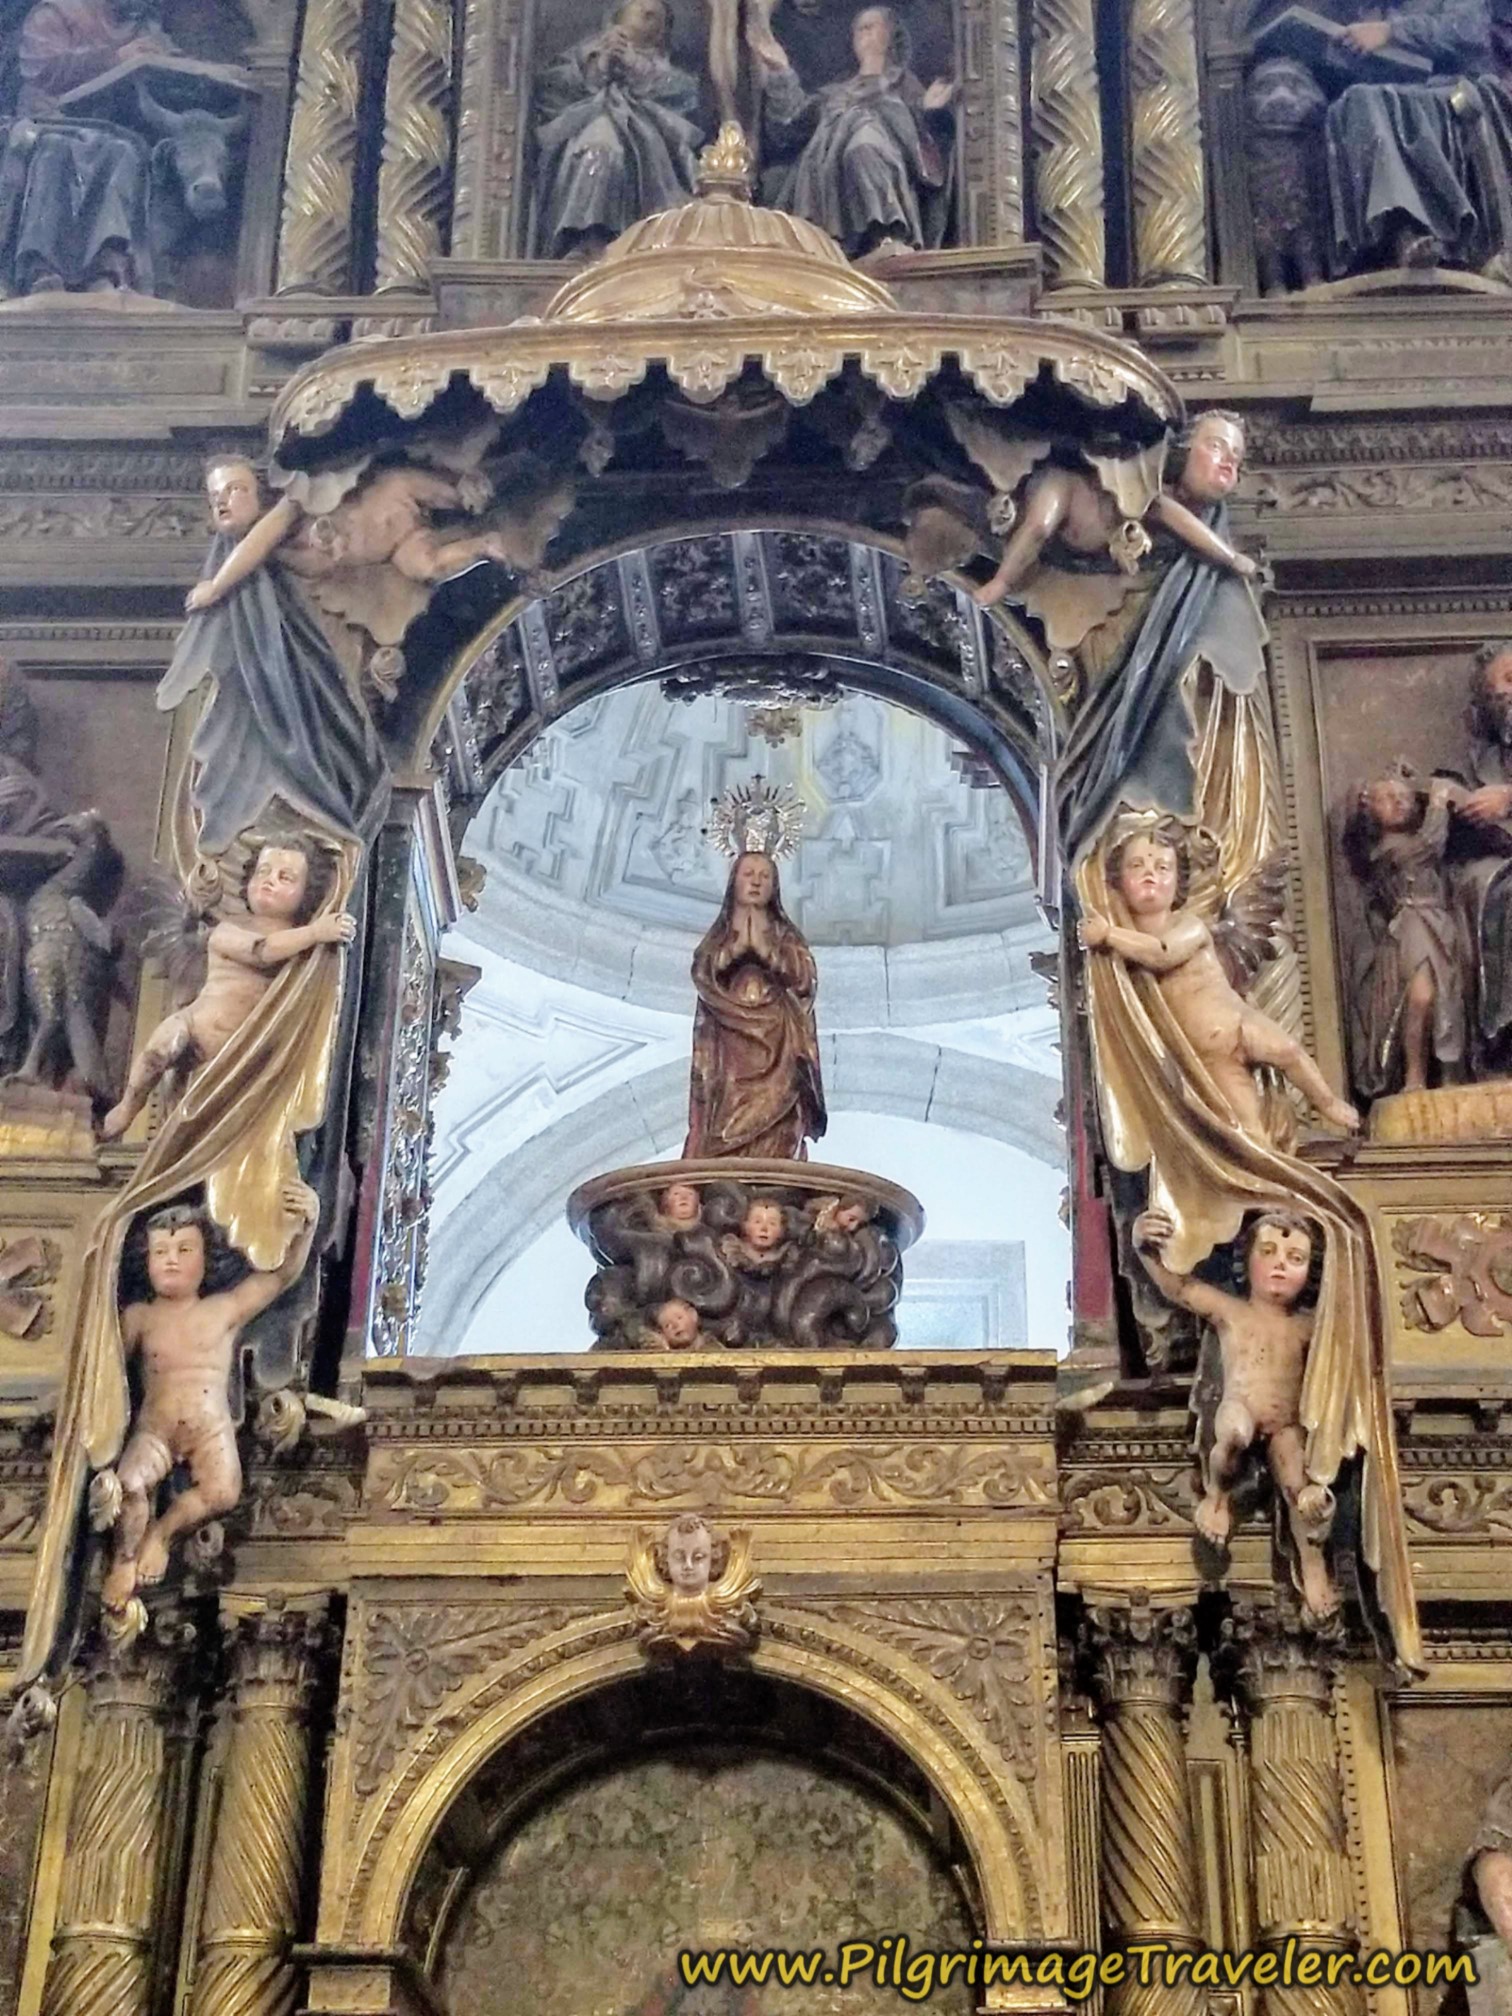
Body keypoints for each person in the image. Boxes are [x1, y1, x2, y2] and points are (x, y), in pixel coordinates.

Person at [96, 1182, 318, 1611]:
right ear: (146, 1262)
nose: (172, 1261)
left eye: (184, 1250)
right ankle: (124, 1559)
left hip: (209, 1427)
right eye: (160, 1252)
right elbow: (107, 1369)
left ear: (205, 1259)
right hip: (154, 1429)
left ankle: (160, 1534)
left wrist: (308, 1223)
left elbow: (281, 1276)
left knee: (223, 1491)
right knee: (129, 1487)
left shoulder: (222, 1310)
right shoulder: (139, 1317)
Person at [1078, 816, 1360, 1136]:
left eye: (1162, 868)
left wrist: (1107, 935)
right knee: (1248, 1133)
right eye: (1137, 866)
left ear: (1178, 882)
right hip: (1208, 1059)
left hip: (1238, 1026)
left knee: (1289, 1052)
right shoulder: (1122, 956)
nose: (1149, 876)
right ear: (1117, 881)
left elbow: (1162, 952)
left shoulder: (1189, 927)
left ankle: (1326, 1102)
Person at [1133, 1204, 1339, 1621]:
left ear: (1310, 1273)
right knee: (1232, 1436)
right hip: (1240, 1405)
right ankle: (1218, 1499)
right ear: (1247, 1261)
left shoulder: (1308, 1326)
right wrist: (1144, 1247)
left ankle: (1314, 1570)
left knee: (1300, 1487)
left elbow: (1348, 1327)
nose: (1281, 1265)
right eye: (1269, 1253)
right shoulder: (1232, 1312)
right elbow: (1180, 1289)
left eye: (1295, 1259)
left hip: (1287, 1424)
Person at [100, 831, 353, 1140]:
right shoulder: (228, 931)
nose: (269, 880)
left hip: (240, 1055)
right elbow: (262, 951)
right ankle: (129, 1104)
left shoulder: (305, 957)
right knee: (159, 1047)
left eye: (285, 877)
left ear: (307, 892)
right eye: (263, 872)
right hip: (195, 1029)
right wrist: (316, 933)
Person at [0, 0, 177, 294]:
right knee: (56, 152)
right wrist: (114, 58)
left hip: (108, 130)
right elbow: (41, 68)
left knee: (126, 154)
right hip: (48, 121)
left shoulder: (142, 24)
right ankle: (39, 268)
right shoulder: (57, 12)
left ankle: (105, 269)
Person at [1323, 0, 1512, 274]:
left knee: (1381, 105)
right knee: (1355, 102)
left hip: (1456, 91)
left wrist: (1390, 32)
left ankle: (1429, 230)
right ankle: (1403, 234)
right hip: (1398, 93)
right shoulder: (1374, 8)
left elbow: (1467, 31)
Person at [758, 5, 956, 257]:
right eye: (858, 30)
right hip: (827, 166)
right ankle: (831, 243)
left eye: (871, 26)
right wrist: (781, 70)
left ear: (891, 34)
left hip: (879, 151)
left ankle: (887, 232)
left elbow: (923, 145)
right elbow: (793, 122)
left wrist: (928, 114)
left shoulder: (905, 85)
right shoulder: (839, 91)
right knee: (854, 137)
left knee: (864, 145)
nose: (862, 33)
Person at [532, 0, 703, 259]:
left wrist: (636, 67)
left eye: (657, 14)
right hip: (592, 120)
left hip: (650, 140)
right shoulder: (585, 52)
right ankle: (586, 237)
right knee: (599, 149)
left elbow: (687, 96)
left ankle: (640, 244)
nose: (648, 13)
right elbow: (551, 88)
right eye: (641, 7)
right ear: (618, 14)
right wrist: (598, 65)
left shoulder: (668, 69)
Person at [684, 849, 825, 1161]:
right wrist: (734, 953)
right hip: (730, 1038)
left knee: (780, 1110)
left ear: (774, 886)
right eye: (748, 874)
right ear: (734, 881)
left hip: (779, 1034)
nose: (756, 882)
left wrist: (765, 953)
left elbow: (804, 980)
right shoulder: (719, 935)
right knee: (726, 1109)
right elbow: (703, 973)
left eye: (765, 876)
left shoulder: (785, 934)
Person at [1344, 764, 1468, 1097]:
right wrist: (1438, 803)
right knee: (1420, 997)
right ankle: (1414, 1075)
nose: (1398, 803)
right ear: (1370, 810)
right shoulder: (1386, 852)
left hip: (1441, 922)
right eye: (1387, 798)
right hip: (1411, 924)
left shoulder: (1409, 839)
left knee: (1448, 999)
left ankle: (1449, 1077)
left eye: (1403, 797)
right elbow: (1428, 846)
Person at [1446, 641, 1512, 1074]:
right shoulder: (1486, 758)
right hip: (1501, 868)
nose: (1507, 699)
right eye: (1496, 696)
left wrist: (1507, 800)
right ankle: (1499, 1041)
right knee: (1479, 883)